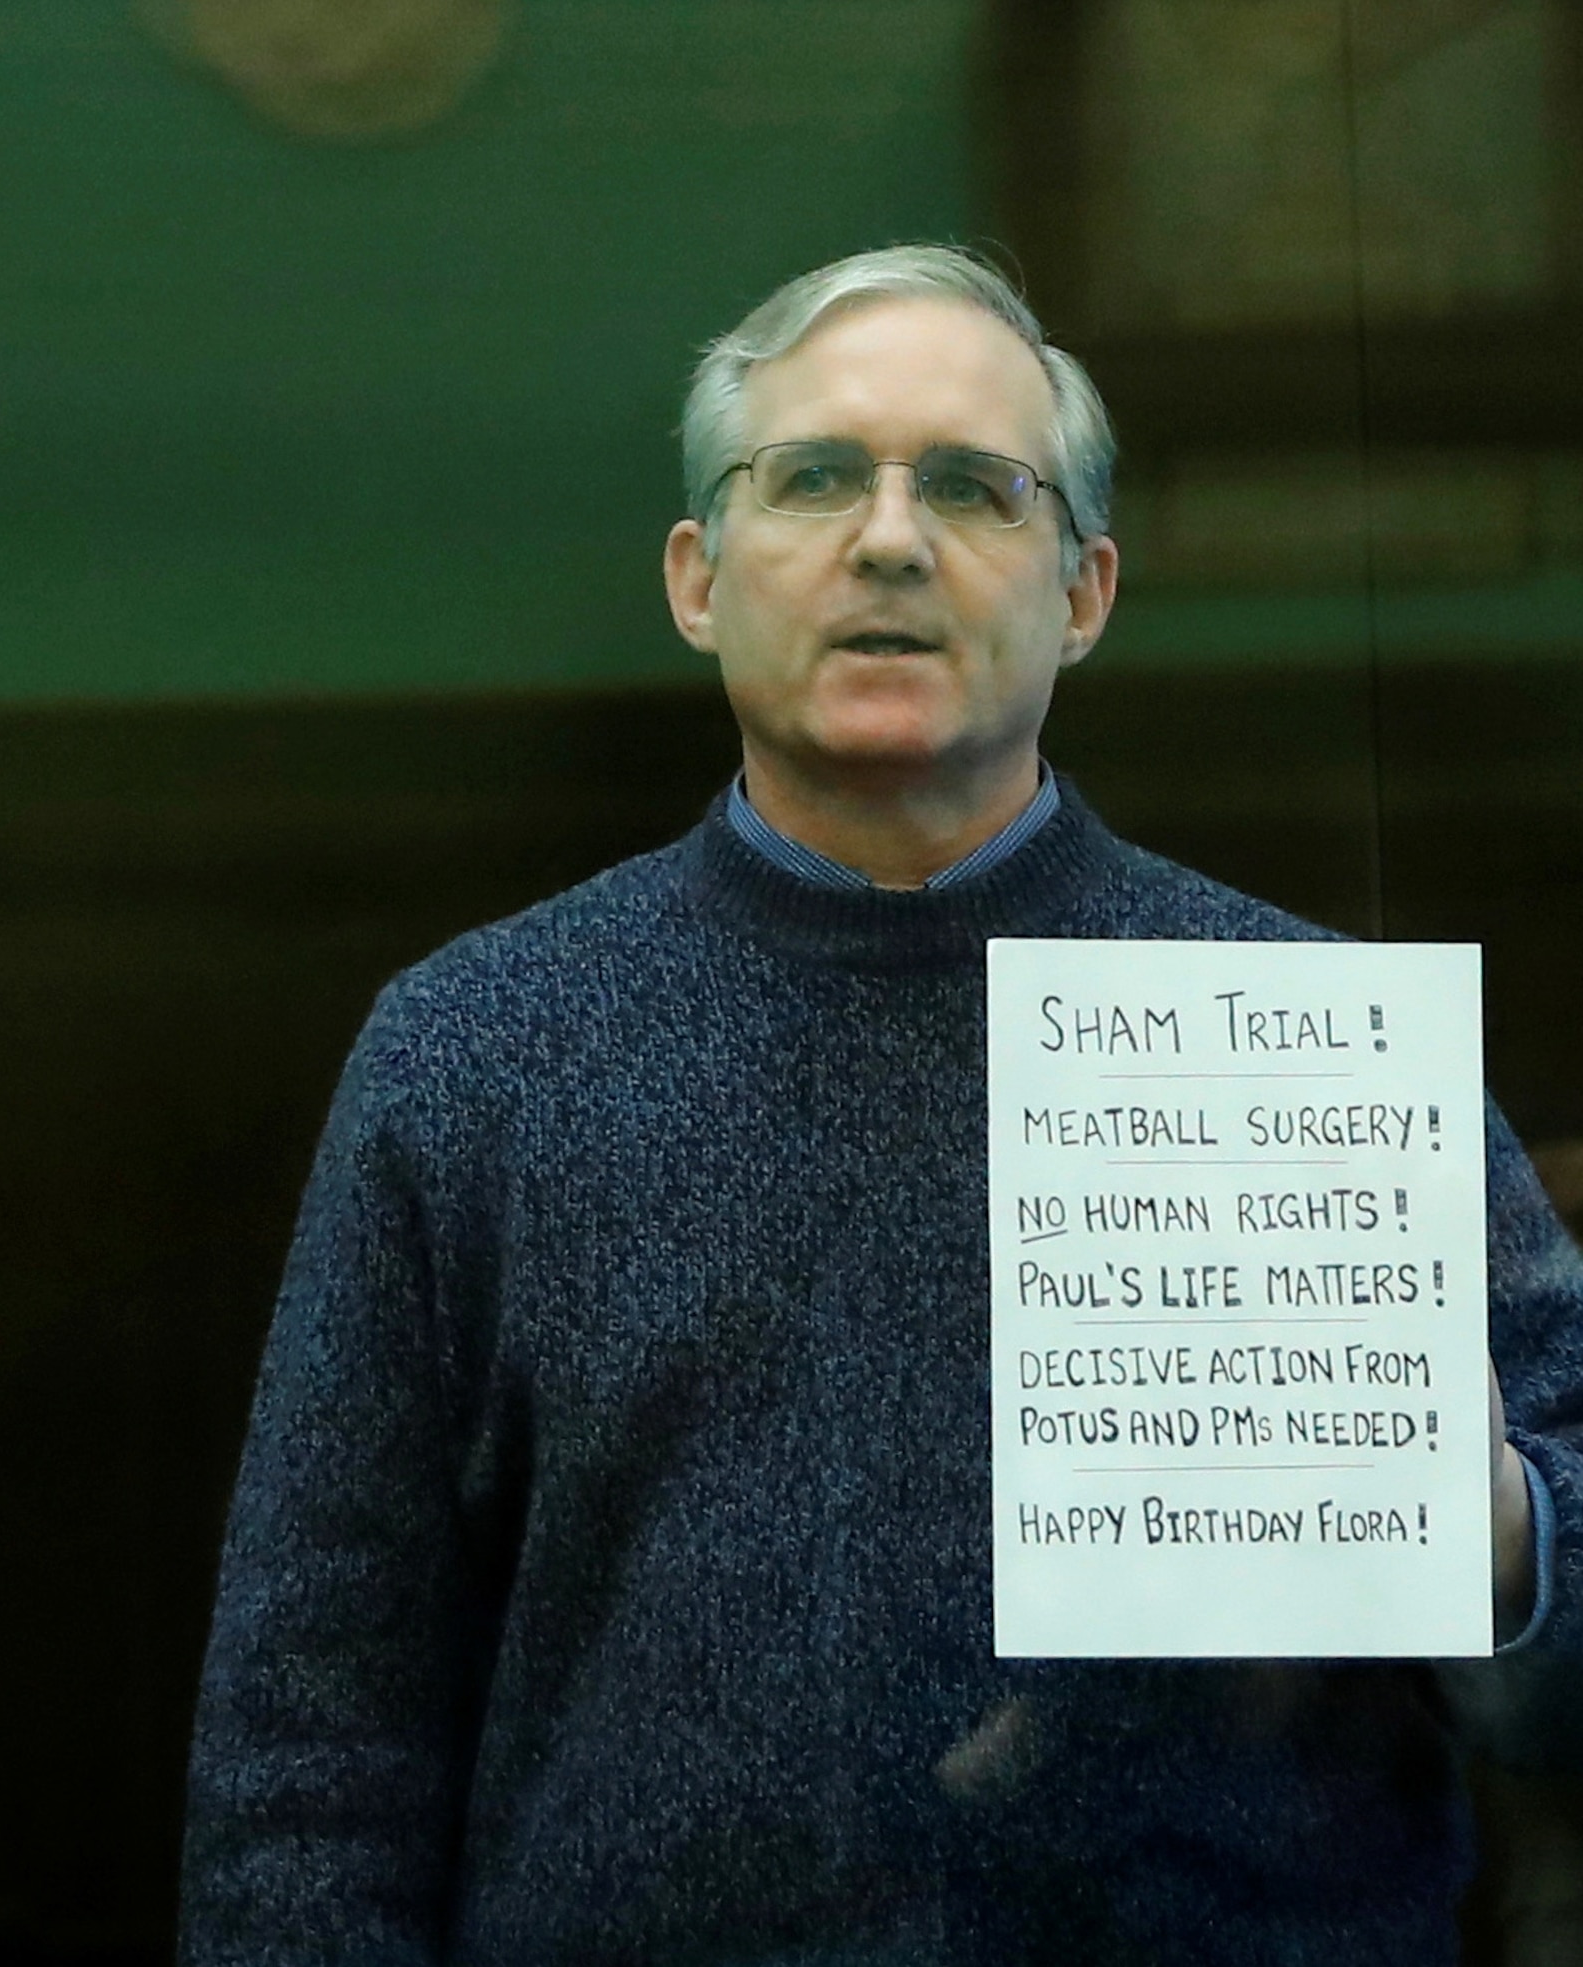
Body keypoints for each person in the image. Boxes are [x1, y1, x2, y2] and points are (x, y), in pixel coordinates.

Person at [178, 246, 1583, 1964]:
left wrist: (1487, 1523)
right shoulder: (476, 1049)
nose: (893, 538)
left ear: (1085, 590)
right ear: (699, 577)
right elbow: (315, 1734)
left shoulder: (1306, 1043)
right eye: (818, 477)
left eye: (981, 490)